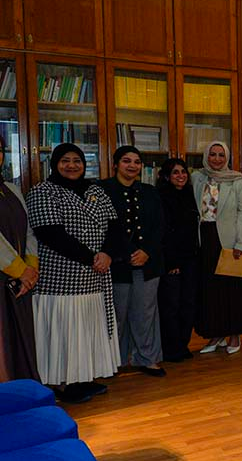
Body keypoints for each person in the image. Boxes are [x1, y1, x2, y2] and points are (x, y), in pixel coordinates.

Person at [27, 143, 121, 403]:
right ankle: (61, 383)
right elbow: (50, 233)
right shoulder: (42, 191)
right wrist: (92, 258)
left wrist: (107, 253)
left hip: (95, 278)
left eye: (77, 160)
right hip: (59, 280)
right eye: (65, 160)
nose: (71, 165)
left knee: (85, 332)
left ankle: (82, 378)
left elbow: (114, 227)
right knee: (64, 334)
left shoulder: (96, 191)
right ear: (54, 164)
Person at [99, 146, 166, 377]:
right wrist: (128, 252)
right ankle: (114, 361)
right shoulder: (101, 190)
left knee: (145, 313)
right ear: (115, 164)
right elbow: (105, 227)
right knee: (116, 314)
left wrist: (146, 251)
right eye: (126, 161)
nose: (132, 165)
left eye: (137, 162)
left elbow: (160, 226)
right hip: (116, 263)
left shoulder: (150, 191)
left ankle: (147, 358)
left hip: (148, 263)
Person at [191, 141, 242, 354]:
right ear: (206, 156)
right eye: (213, 154)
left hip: (230, 241)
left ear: (227, 157)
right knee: (211, 291)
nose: (217, 159)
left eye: (221, 155)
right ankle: (216, 335)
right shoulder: (197, 177)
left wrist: (241, 243)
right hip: (205, 239)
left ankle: (234, 335)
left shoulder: (238, 180)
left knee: (232, 290)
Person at [0, 133, 40, 382]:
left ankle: (23, 395)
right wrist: (20, 270)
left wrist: (31, 268)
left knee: (20, 340)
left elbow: (29, 231)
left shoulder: (12, 189)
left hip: (19, 283)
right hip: (10, 277)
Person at [156, 158, 199, 362]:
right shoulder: (161, 197)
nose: (180, 176)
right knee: (171, 306)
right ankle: (171, 348)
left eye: (183, 172)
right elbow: (163, 232)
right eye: (175, 172)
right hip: (171, 261)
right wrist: (171, 262)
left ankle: (183, 344)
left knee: (188, 304)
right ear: (166, 176)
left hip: (191, 259)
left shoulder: (191, 195)